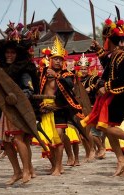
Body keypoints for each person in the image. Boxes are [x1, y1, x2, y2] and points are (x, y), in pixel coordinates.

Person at [0, 23, 40, 184]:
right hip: (5, 111)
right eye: (7, 52)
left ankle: (27, 170)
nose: (9, 55)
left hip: (19, 111)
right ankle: (17, 171)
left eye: (12, 52)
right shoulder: (1, 69)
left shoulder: (24, 69)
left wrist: (16, 97)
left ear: (18, 54)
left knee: (20, 140)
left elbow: (29, 89)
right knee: (6, 143)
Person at [81, 18, 124, 176]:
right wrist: (99, 49)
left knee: (106, 127)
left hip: (120, 93)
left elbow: (122, 77)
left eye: (104, 40)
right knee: (106, 128)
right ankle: (122, 161)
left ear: (109, 40)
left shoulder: (122, 55)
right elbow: (106, 64)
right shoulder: (114, 55)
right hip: (112, 94)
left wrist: (105, 86)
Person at [38, 36, 85, 176]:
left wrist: (57, 76)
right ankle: (54, 166)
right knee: (48, 139)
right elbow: (37, 90)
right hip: (45, 109)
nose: (58, 61)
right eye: (55, 58)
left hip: (59, 110)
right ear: (50, 59)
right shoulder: (42, 73)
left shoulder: (67, 74)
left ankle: (59, 167)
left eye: (60, 59)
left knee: (58, 137)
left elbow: (70, 85)